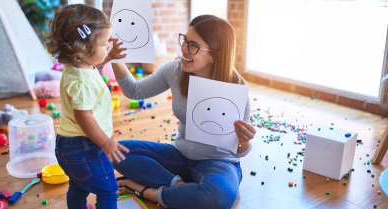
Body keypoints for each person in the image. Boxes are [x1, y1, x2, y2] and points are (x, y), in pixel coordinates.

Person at [109, 15, 256, 209]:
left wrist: (245, 140)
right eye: (184, 40)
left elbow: (240, 151)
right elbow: (135, 91)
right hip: (178, 156)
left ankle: (150, 191)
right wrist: (115, 59)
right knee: (114, 151)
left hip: (218, 164)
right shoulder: (175, 71)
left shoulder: (236, 88)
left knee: (218, 197)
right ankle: (177, 186)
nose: (183, 48)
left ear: (215, 54)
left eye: (193, 45)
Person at [45, 4, 129, 209]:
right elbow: (83, 116)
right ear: (81, 50)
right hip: (85, 146)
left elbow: (91, 65)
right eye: (104, 44)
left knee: (79, 185)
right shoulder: (83, 83)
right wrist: (105, 142)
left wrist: (109, 57)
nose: (108, 46)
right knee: (109, 190)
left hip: (67, 145)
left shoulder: (76, 66)